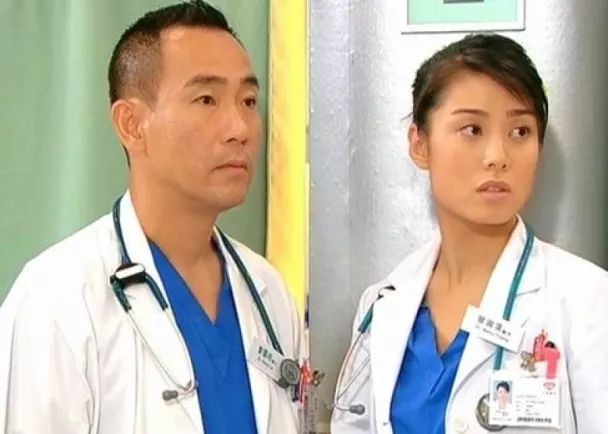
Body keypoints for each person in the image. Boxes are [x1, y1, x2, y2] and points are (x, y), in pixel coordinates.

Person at [0, 2, 301, 433]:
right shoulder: (56, 300)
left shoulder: (267, 292)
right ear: (131, 124)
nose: (240, 128)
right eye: (206, 99)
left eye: (249, 101)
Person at [331, 34, 608, 434]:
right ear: (420, 144)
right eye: (472, 129)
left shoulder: (588, 302)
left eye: (520, 132)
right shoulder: (382, 305)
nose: (497, 156)